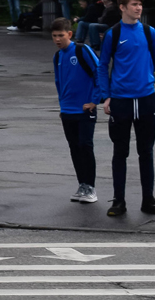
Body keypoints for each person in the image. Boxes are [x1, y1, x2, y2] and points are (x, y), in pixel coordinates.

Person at [96, 0, 155, 216]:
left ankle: (148, 200)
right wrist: (106, 96)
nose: (138, 8)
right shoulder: (114, 33)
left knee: (146, 151)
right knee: (120, 152)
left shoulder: (149, 32)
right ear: (122, 7)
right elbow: (103, 66)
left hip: (145, 99)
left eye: (140, 5)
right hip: (121, 100)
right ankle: (119, 201)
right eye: (134, 5)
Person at [52, 17, 101, 203]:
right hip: (67, 111)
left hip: (84, 110)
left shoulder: (82, 50)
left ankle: (91, 187)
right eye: (54, 36)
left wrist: (95, 100)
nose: (57, 39)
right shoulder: (57, 56)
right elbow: (59, 82)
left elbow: (99, 72)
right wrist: (62, 105)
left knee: (85, 146)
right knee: (74, 148)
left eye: (61, 35)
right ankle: (82, 185)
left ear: (69, 34)